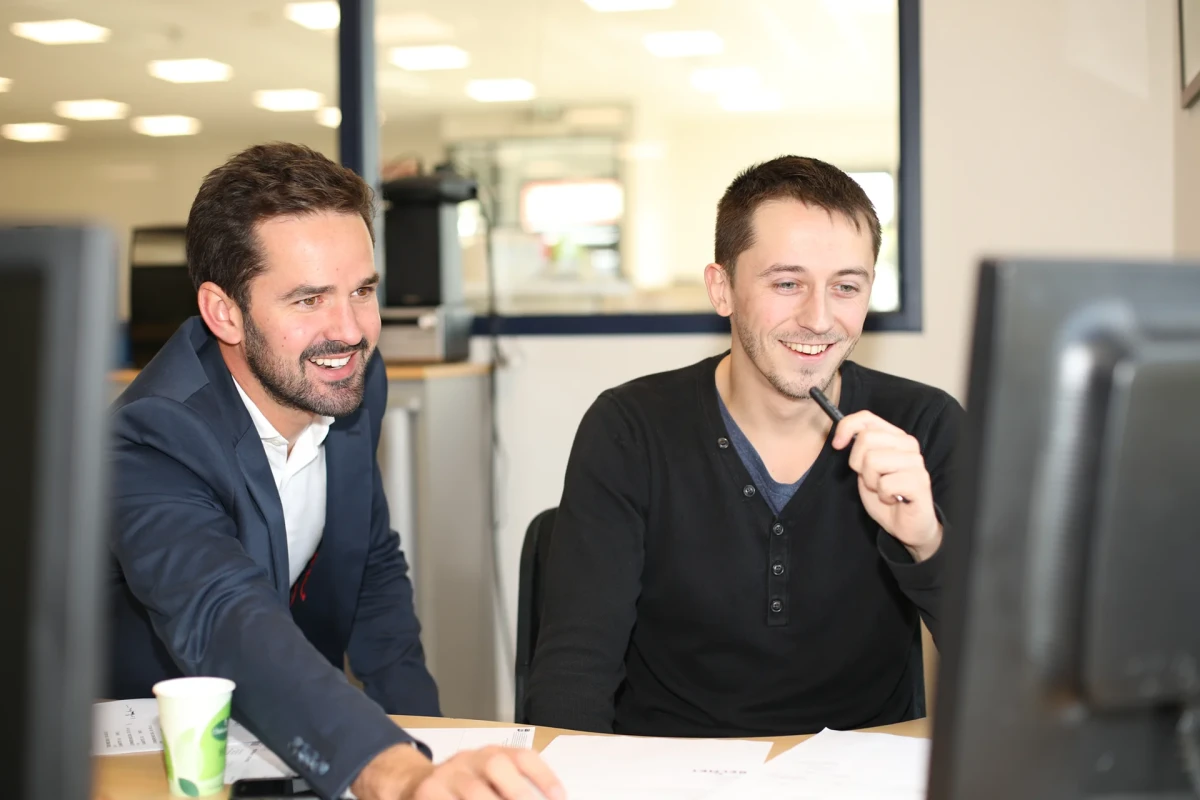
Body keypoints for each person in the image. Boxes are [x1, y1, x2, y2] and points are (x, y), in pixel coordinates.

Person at [108, 142, 562, 800]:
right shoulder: (153, 436)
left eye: (363, 291)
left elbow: (370, 561)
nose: (350, 330)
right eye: (308, 299)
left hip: (298, 741)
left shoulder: (343, 376)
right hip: (157, 770)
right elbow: (226, 617)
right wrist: (396, 773)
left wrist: (429, 747)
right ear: (223, 312)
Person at [525, 155, 964, 738]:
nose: (819, 318)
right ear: (722, 288)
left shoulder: (923, 425)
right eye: (787, 283)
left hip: (863, 771)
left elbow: (1010, 666)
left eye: (846, 287)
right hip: (671, 769)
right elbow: (574, 670)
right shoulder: (630, 428)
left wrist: (927, 542)